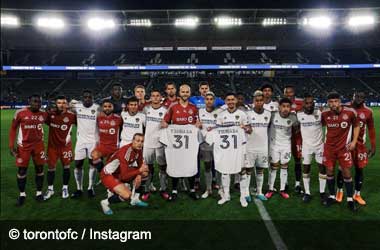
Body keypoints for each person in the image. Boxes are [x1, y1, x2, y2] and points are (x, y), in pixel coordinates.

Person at [161, 84, 202, 201]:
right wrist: (165, 124)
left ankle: (192, 190)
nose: (185, 94)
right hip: (176, 144)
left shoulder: (194, 108)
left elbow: (197, 123)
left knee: (191, 164)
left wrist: (198, 125)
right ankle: (174, 190)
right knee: (175, 164)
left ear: (189, 93)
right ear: (179, 93)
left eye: (187, 92)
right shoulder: (173, 107)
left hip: (190, 144)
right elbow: (165, 121)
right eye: (183, 92)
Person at [335, 91, 376, 206]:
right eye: (356, 96)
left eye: (361, 97)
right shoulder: (345, 107)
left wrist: (373, 146)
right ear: (352, 96)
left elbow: (371, 129)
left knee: (359, 169)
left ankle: (357, 194)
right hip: (345, 144)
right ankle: (339, 191)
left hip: (360, 146)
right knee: (342, 168)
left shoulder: (368, 112)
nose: (358, 99)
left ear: (364, 99)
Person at [322, 92, 360, 212]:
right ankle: (332, 196)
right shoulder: (324, 114)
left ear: (340, 101)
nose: (333, 104)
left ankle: (350, 199)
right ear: (328, 103)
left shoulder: (349, 112)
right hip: (329, 148)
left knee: (346, 173)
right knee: (329, 171)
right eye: (331, 102)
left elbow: (356, 125)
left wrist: (354, 141)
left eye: (335, 101)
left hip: (344, 148)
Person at [212, 92, 251, 206]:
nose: (230, 102)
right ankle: (226, 195)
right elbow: (217, 131)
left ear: (236, 101)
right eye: (228, 100)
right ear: (225, 101)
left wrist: (245, 128)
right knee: (225, 171)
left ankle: (243, 196)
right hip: (226, 149)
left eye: (232, 99)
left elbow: (250, 130)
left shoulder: (242, 114)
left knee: (242, 171)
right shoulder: (221, 115)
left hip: (240, 148)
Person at [9, 94, 48, 206]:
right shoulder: (20, 113)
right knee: (22, 171)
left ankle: (39, 193)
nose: (37, 104)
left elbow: (54, 121)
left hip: (39, 146)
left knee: (40, 169)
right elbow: (13, 129)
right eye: (34, 101)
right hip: (23, 147)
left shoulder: (44, 114)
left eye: (39, 102)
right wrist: (11, 146)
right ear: (29, 101)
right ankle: (22, 195)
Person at [100, 133, 149, 215]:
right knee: (126, 195)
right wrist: (138, 172)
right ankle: (105, 203)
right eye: (137, 141)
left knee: (145, 172)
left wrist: (139, 175)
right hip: (108, 174)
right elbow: (124, 176)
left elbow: (140, 165)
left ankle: (135, 199)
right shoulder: (125, 152)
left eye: (142, 141)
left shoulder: (139, 149)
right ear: (132, 141)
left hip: (119, 172)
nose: (140, 143)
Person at [44, 95, 76, 200]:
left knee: (66, 168)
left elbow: (82, 125)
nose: (61, 105)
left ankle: (65, 188)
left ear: (66, 104)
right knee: (51, 168)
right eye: (59, 103)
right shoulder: (50, 115)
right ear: (55, 104)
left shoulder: (71, 116)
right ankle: (50, 189)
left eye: (63, 103)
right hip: (52, 147)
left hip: (66, 147)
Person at [266, 98, 299, 200]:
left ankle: (282, 189)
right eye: (283, 106)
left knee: (284, 166)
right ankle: (271, 189)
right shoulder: (272, 115)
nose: (285, 109)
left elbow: (297, 129)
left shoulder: (293, 117)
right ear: (279, 107)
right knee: (274, 166)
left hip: (286, 146)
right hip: (274, 145)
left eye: (288, 106)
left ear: (290, 108)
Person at [296, 94, 327, 204]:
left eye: (311, 103)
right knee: (306, 169)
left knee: (322, 169)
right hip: (306, 147)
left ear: (314, 104)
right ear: (303, 104)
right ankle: (307, 192)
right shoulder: (299, 115)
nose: (309, 105)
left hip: (320, 146)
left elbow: (326, 124)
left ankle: (322, 193)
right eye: (307, 103)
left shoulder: (320, 113)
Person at [70, 89, 100, 198]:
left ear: (93, 98)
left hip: (93, 141)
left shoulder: (97, 108)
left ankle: (90, 187)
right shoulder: (77, 106)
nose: (87, 99)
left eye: (89, 97)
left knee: (93, 164)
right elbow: (69, 105)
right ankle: (79, 188)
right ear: (82, 98)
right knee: (78, 164)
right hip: (80, 141)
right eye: (85, 97)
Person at [141, 89, 170, 201]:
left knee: (162, 167)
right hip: (148, 143)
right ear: (151, 97)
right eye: (153, 96)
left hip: (160, 143)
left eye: (157, 96)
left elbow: (169, 125)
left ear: (161, 97)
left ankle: (163, 189)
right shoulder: (146, 109)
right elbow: (142, 125)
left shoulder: (165, 110)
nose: (155, 98)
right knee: (148, 167)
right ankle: (147, 189)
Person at [246, 90, 271, 201]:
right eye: (257, 101)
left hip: (263, 147)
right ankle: (246, 192)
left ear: (264, 101)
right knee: (248, 170)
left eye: (261, 100)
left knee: (260, 170)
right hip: (250, 147)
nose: (259, 102)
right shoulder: (248, 114)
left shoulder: (268, 114)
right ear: (253, 101)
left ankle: (259, 191)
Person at [198, 91, 221, 199]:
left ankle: (221, 189)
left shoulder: (220, 112)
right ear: (204, 100)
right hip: (205, 144)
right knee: (207, 167)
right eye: (207, 99)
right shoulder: (200, 112)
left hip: (217, 144)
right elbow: (195, 124)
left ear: (214, 100)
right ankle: (208, 189)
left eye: (211, 99)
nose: (209, 101)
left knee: (219, 167)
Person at [91, 100, 122, 172]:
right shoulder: (99, 117)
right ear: (102, 108)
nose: (107, 108)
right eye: (105, 106)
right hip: (102, 146)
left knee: (113, 169)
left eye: (109, 106)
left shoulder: (119, 118)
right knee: (94, 155)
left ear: (113, 107)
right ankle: (103, 173)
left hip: (114, 147)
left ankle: (109, 177)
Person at [284, 85, 303, 194]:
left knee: (297, 160)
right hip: (285, 137)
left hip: (297, 137)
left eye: (290, 92)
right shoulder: (281, 104)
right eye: (287, 92)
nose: (289, 94)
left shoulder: (300, 103)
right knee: (285, 161)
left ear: (293, 93)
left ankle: (297, 183)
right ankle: (285, 183)